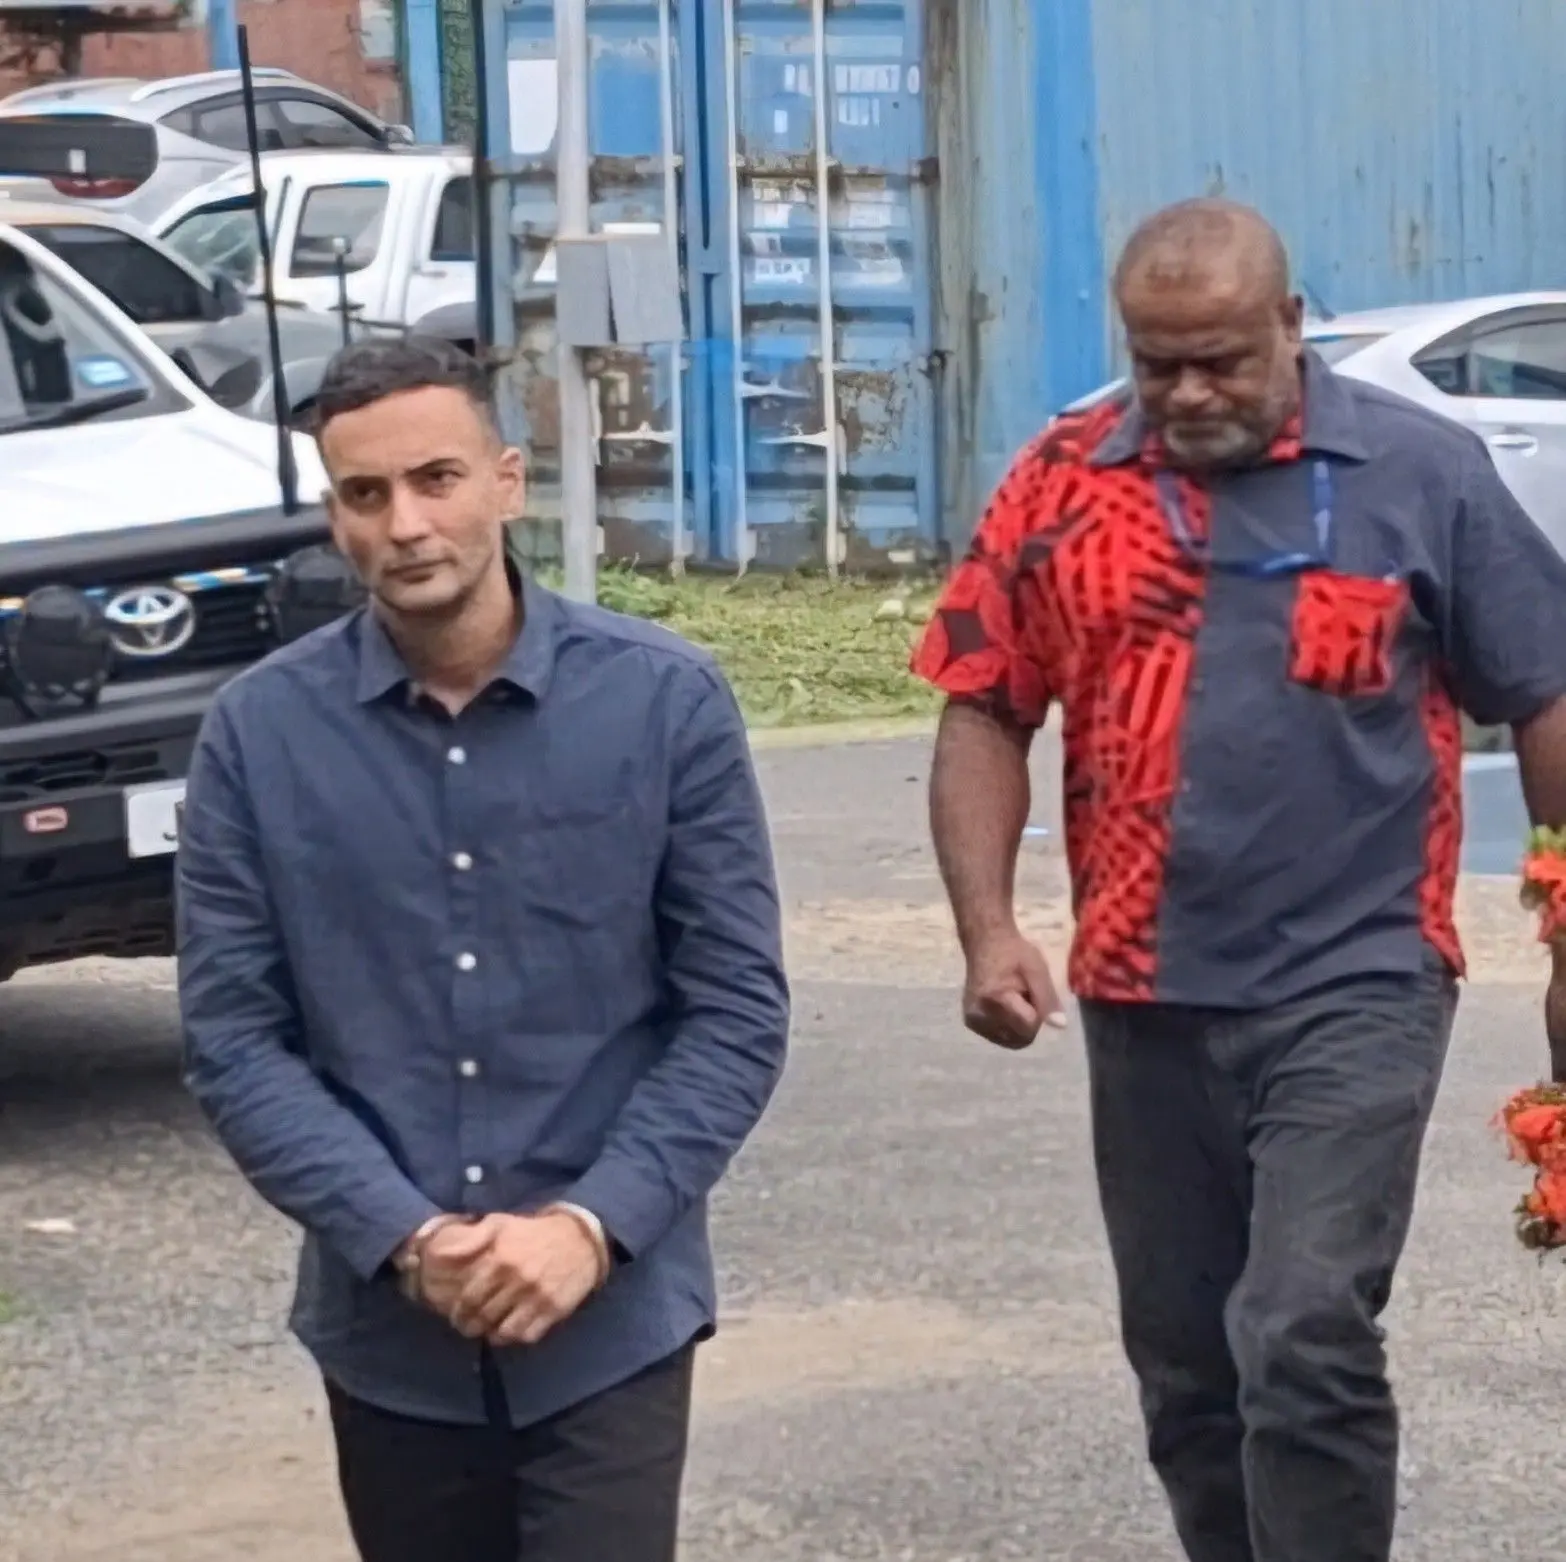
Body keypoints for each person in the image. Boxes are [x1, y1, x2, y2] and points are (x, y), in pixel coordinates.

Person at [911, 197, 1566, 1562]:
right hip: (1141, 991)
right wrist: (986, 928)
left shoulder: (1417, 472)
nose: (1188, 392)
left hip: (1357, 978)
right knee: (1187, 1366)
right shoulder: (1059, 480)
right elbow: (982, 703)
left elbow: (1544, 692)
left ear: (1290, 323)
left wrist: (1564, 922)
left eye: (1220, 358)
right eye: (1157, 364)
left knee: (1302, 1323)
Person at [176, 336, 790, 1562]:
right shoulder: (258, 735)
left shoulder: (664, 704)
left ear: (508, 481)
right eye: (366, 493)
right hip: (389, 1329)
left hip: (609, 1316)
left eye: (437, 478)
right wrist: (403, 1235)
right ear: (333, 513)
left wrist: (591, 1224)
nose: (406, 523)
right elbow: (237, 1039)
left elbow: (733, 1010)